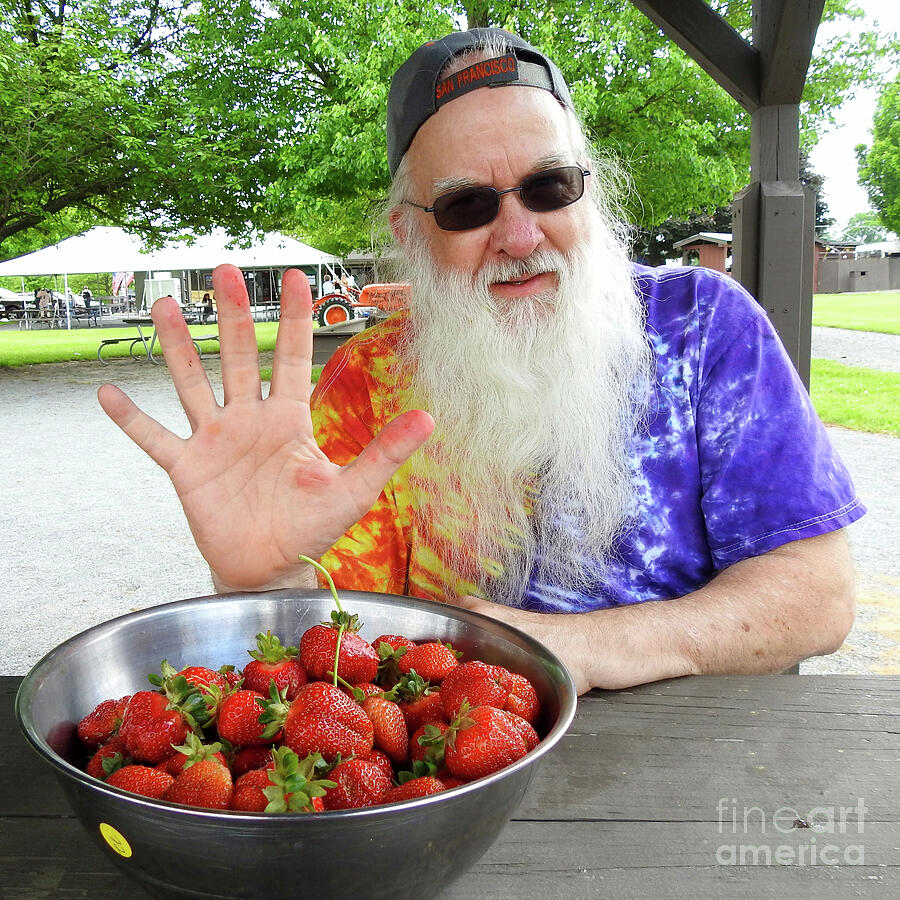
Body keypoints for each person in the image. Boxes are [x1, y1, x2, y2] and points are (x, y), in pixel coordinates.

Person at [98, 28, 863, 695]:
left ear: (587, 194)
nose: (520, 235)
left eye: (549, 187)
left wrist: (589, 647)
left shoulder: (706, 326)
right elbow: (333, 659)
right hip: (453, 776)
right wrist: (265, 583)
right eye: (468, 206)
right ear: (410, 232)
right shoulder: (365, 386)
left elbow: (814, 600)